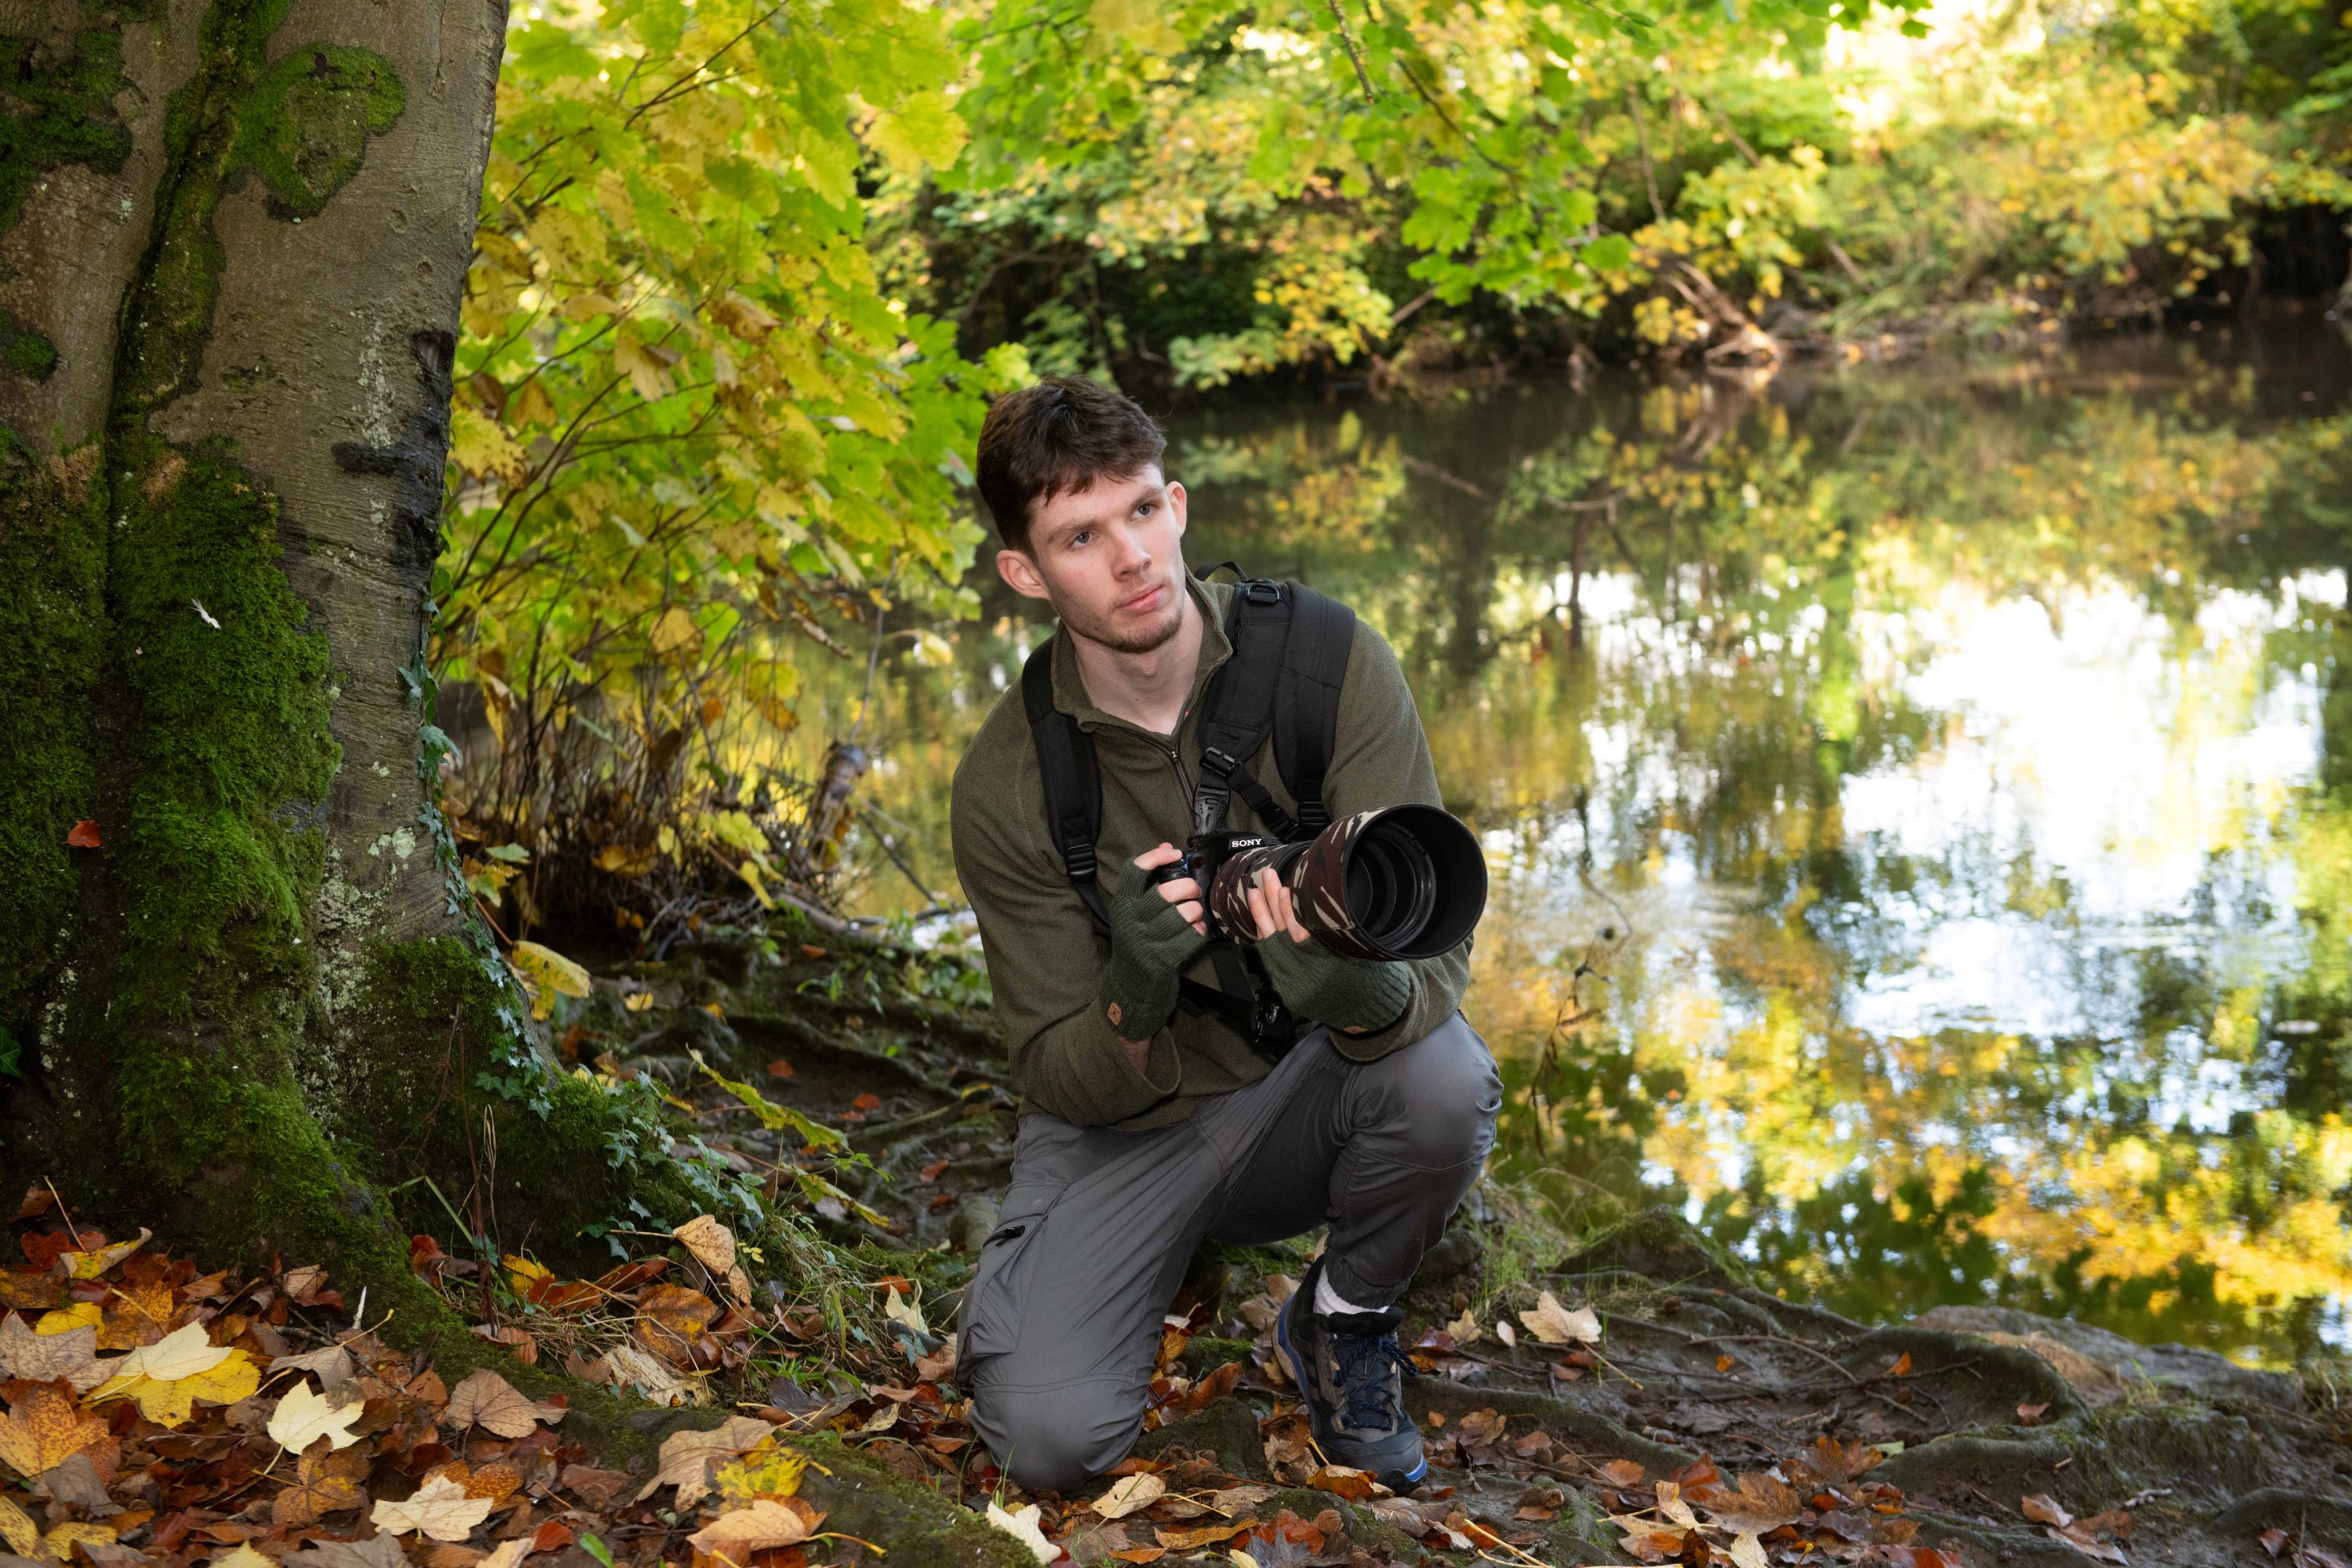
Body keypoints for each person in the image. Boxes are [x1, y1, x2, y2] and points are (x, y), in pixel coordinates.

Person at [948, 376, 1500, 1494]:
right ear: (1025, 572)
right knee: (1051, 1444)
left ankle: (1343, 1320)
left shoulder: (1331, 666)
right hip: (1128, 1131)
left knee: (1447, 1079)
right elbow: (1055, 1066)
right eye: (1081, 536)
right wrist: (1133, 989)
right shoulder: (1010, 780)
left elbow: (1437, 966)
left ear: (1182, 504)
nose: (1131, 558)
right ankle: (1055, 1268)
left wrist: (1338, 984)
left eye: (1143, 511)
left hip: (1308, 1092)